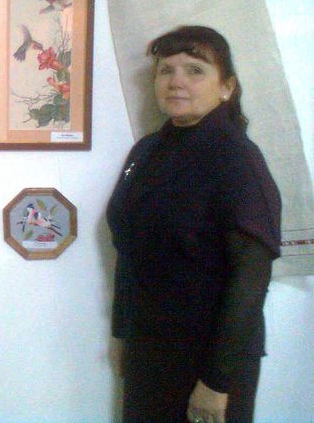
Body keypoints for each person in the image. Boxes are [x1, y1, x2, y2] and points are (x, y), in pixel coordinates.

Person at [107, 26, 281, 423]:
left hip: (209, 357)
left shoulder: (237, 160)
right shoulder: (147, 151)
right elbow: (129, 250)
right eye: (166, 70)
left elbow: (251, 278)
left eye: (195, 70)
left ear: (226, 87)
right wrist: (122, 331)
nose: (177, 81)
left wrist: (217, 381)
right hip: (148, 346)